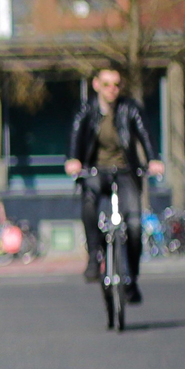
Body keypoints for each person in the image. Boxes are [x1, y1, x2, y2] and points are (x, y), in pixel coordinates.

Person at [64, 66, 164, 304]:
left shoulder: (130, 108)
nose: (112, 90)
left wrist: (153, 159)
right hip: (96, 170)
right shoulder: (87, 109)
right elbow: (76, 135)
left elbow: (144, 133)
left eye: (117, 85)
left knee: (135, 225)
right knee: (89, 200)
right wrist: (73, 160)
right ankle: (92, 257)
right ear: (96, 85)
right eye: (107, 84)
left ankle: (131, 279)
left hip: (125, 171)